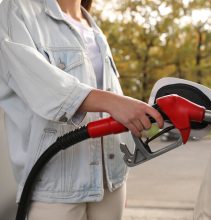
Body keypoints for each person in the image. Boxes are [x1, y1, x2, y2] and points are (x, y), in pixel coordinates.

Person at [0, 0, 163, 219]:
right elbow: (41, 87)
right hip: (55, 187)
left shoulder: (93, 28)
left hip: (110, 182)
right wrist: (113, 102)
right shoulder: (15, 10)